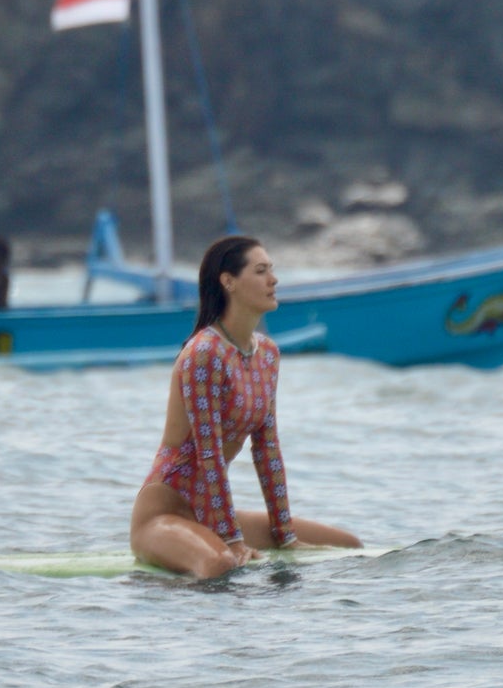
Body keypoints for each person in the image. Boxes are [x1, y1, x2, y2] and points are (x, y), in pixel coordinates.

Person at [130, 235, 361, 578]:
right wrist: (230, 539)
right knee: (219, 563)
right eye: (261, 270)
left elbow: (267, 449)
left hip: (210, 512)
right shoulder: (204, 354)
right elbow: (208, 452)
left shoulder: (267, 354)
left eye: (272, 270)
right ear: (229, 282)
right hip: (165, 514)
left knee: (347, 545)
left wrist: (285, 535)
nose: (273, 280)